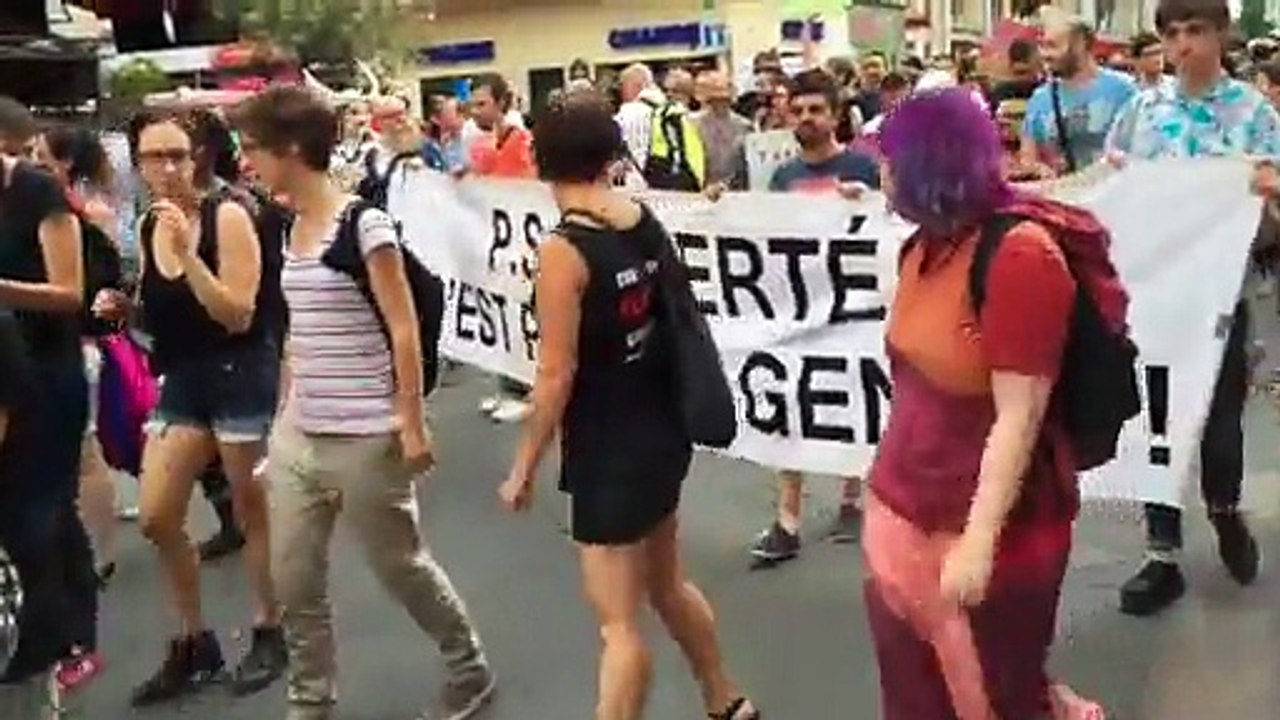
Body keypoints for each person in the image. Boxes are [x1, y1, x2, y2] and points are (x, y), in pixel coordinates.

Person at [232, 85, 493, 720]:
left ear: (292, 149)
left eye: (254, 148)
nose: (247, 162)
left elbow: (403, 325)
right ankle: (310, 702)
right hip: (301, 437)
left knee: (400, 566)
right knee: (294, 581)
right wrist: (285, 413)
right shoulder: (288, 226)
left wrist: (410, 420)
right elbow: (298, 330)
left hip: (366, 436)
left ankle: (468, 666)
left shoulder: (363, 225)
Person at [498, 89, 759, 720]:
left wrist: (522, 468)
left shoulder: (564, 249)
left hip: (608, 447)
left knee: (618, 625)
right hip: (660, 427)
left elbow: (555, 374)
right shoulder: (636, 217)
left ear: (539, 157)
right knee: (667, 583)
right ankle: (725, 698)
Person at [870, 86, 1108, 720]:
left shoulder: (1020, 255)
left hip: (996, 528)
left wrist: (978, 541)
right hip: (907, 512)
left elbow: (1019, 415)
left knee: (999, 696)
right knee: (916, 696)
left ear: (927, 164)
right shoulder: (922, 247)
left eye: (890, 161)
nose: (880, 174)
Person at [101, 110, 288, 705]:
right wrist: (125, 310)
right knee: (157, 515)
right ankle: (194, 641)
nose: (168, 168)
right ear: (138, 163)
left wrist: (191, 252)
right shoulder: (146, 219)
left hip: (239, 371)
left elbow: (237, 313)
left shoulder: (228, 213)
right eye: (154, 157)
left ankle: (269, 628)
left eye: (178, 155)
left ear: (198, 155)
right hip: (183, 379)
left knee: (250, 510)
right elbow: (163, 308)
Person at [1104, 0, 1275, 617]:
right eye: (1172, 33)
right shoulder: (1142, 110)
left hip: (1220, 296)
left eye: (1194, 30)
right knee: (1156, 421)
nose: (1183, 44)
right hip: (1151, 294)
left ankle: (1225, 511)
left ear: (1220, 34)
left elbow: (1271, 221)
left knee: (1220, 420)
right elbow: (1110, 184)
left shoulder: (1254, 114)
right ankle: (1161, 553)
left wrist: (1267, 194)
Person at [749, 69, 877, 567]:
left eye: (815, 110)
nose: (806, 118)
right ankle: (788, 520)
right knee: (789, 404)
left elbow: (890, 222)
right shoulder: (782, 178)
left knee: (850, 399)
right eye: (798, 111)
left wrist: (864, 203)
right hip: (799, 311)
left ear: (835, 114)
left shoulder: (863, 168)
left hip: (853, 307)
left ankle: (851, 496)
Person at [0, 96, 96, 713]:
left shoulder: (37, 192)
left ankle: (65, 643)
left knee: (43, 508)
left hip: (48, 368)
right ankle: (55, 631)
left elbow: (70, 293)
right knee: (31, 513)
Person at [1020, 16, 1136, 177]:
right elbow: (1027, 159)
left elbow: (1144, 151)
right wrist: (1038, 169)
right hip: (1063, 197)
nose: (1045, 54)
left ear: (1080, 44)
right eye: (1041, 46)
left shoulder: (1125, 90)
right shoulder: (1039, 99)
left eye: (1052, 46)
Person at [695, 70, 752, 193]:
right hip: (701, 193)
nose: (721, 101)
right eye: (715, 97)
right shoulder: (692, 124)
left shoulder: (745, 126)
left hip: (736, 194)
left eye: (725, 94)